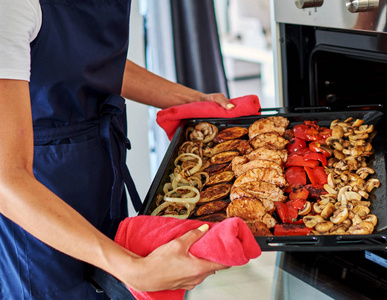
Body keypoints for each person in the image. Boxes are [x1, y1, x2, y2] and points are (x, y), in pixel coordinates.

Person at [0, 0, 232, 298]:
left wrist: (195, 101)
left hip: (99, 172)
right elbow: (8, 180)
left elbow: (88, 62)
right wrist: (133, 269)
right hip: (37, 201)